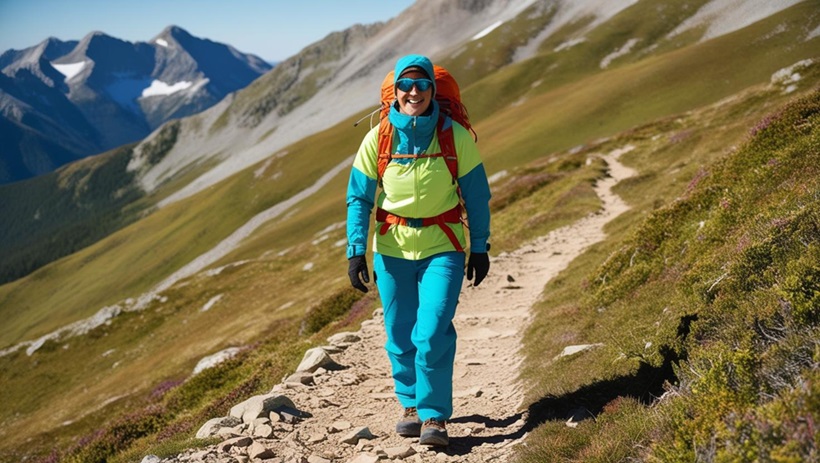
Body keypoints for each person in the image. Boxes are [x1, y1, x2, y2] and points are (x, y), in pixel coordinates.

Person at [345, 54, 491, 446]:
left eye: (422, 84)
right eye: (406, 85)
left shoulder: (454, 136)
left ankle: (433, 417)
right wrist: (357, 250)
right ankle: (410, 404)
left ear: (432, 89)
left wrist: (480, 247)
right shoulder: (378, 139)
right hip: (391, 250)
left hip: (443, 248)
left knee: (431, 332)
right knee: (399, 333)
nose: (414, 92)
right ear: (395, 92)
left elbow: (477, 196)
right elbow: (359, 197)